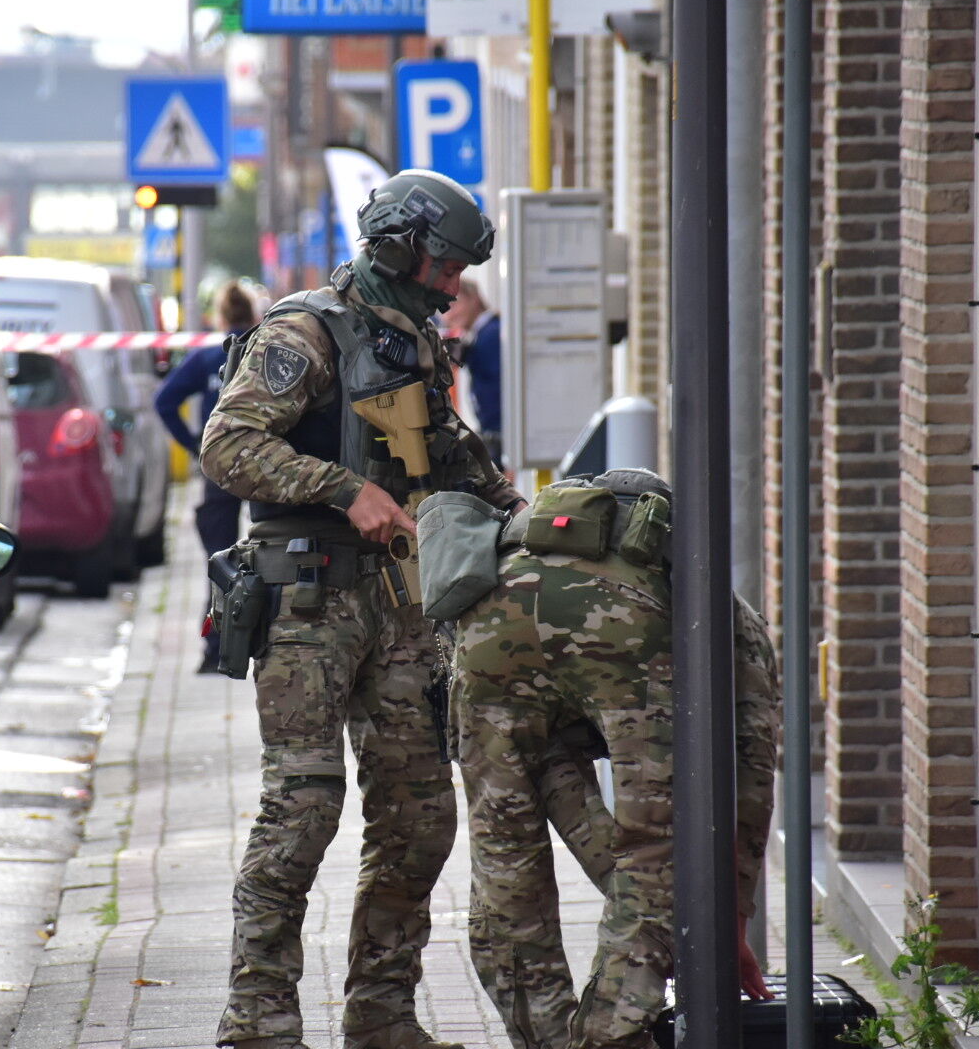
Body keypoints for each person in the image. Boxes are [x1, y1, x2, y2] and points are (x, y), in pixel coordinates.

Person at [201, 169, 528, 1049]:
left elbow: (458, 461)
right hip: (307, 603)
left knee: (420, 815)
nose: (454, 286)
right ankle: (259, 1020)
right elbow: (228, 445)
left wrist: (532, 523)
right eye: (446, 266)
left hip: (400, 607)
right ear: (400, 247)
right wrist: (345, 490)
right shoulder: (305, 331)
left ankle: (381, 1015)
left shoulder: (415, 342)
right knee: (303, 806)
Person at [450, 470, 780, 1049]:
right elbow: (749, 775)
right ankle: (608, 1037)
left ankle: (547, 1039)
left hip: (489, 621)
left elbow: (551, 774)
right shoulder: (721, 608)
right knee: (658, 855)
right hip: (622, 628)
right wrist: (728, 920)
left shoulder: (528, 551)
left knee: (505, 857)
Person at [154, 280, 256, 673]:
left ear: (221, 317)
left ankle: (216, 649)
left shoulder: (208, 357)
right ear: (255, 315)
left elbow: (164, 401)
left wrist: (195, 445)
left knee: (221, 562)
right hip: (265, 464)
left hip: (220, 468)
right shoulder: (266, 352)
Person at [440, 277, 502, 465]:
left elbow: (502, 392)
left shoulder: (491, 334)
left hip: (503, 438)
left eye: (454, 305)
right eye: (443, 310)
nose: (448, 316)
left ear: (473, 298)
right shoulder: (480, 335)